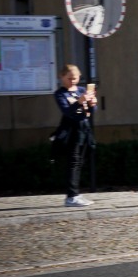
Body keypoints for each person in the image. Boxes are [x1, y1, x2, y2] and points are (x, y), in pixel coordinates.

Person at [53, 63, 96, 207]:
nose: (72, 81)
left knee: (79, 162)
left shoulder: (81, 90)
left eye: (75, 78)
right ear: (62, 77)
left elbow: (89, 111)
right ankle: (71, 196)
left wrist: (91, 103)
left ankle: (76, 193)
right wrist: (80, 101)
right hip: (71, 129)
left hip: (84, 128)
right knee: (73, 161)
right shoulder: (60, 93)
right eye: (69, 78)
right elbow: (68, 112)